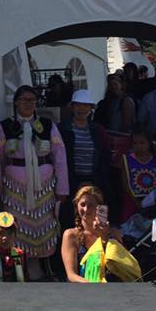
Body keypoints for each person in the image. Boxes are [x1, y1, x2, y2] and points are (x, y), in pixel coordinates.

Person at [0, 85, 68, 279]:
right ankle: (19, 269)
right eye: (24, 100)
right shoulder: (4, 127)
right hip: (14, 187)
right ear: (16, 102)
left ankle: (44, 268)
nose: (29, 103)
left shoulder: (48, 125)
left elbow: (60, 157)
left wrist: (62, 189)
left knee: (44, 225)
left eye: (32, 100)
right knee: (17, 225)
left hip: (43, 187)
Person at [59, 89, 110, 220]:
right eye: (78, 105)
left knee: (96, 216)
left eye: (85, 105)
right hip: (70, 182)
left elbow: (105, 156)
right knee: (71, 217)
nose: (81, 109)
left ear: (91, 108)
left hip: (95, 180)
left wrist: (98, 179)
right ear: (72, 107)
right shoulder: (62, 129)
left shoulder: (98, 130)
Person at [61, 185, 124, 283]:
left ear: (99, 207)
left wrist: (104, 237)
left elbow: (121, 266)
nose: (86, 209)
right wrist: (92, 285)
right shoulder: (71, 235)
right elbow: (71, 275)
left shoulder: (113, 233)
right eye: (82, 204)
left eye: (91, 205)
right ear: (76, 206)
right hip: (82, 289)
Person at [120, 125, 156, 222]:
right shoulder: (127, 159)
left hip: (152, 201)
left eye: (142, 143)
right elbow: (126, 183)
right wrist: (137, 202)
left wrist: (152, 199)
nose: (138, 146)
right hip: (132, 201)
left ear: (149, 143)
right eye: (135, 143)